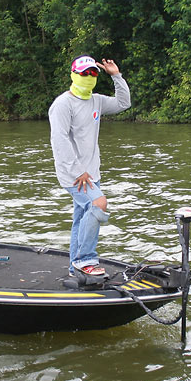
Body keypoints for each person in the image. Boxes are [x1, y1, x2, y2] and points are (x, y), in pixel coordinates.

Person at [49, 55, 130, 279]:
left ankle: (75, 266)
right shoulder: (62, 104)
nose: (89, 76)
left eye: (93, 73)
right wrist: (78, 171)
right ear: (74, 75)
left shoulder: (96, 101)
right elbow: (59, 141)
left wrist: (116, 76)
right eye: (85, 73)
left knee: (82, 216)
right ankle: (85, 260)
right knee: (99, 202)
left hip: (92, 173)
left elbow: (124, 103)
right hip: (74, 174)